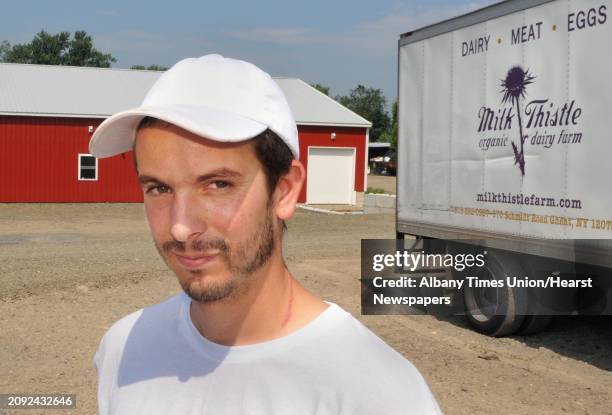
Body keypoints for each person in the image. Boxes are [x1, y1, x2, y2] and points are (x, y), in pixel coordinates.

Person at [90, 54, 441, 414]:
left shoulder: (378, 393)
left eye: (218, 184)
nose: (181, 227)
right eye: (159, 188)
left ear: (285, 190)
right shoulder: (124, 349)